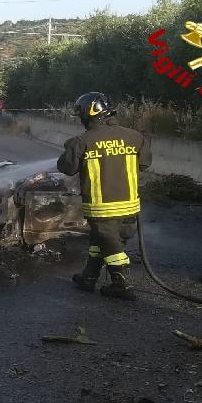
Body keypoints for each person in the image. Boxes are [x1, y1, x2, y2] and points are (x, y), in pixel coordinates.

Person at [56, 92, 151, 300]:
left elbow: (67, 168)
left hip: (102, 207)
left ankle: (122, 284)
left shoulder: (82, 141)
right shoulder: (135, 137)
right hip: (130, 206)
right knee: (101, 240)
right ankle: (89, 277)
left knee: (111, 245)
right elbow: (144, 164)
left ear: (89, 113)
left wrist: (69, 150)